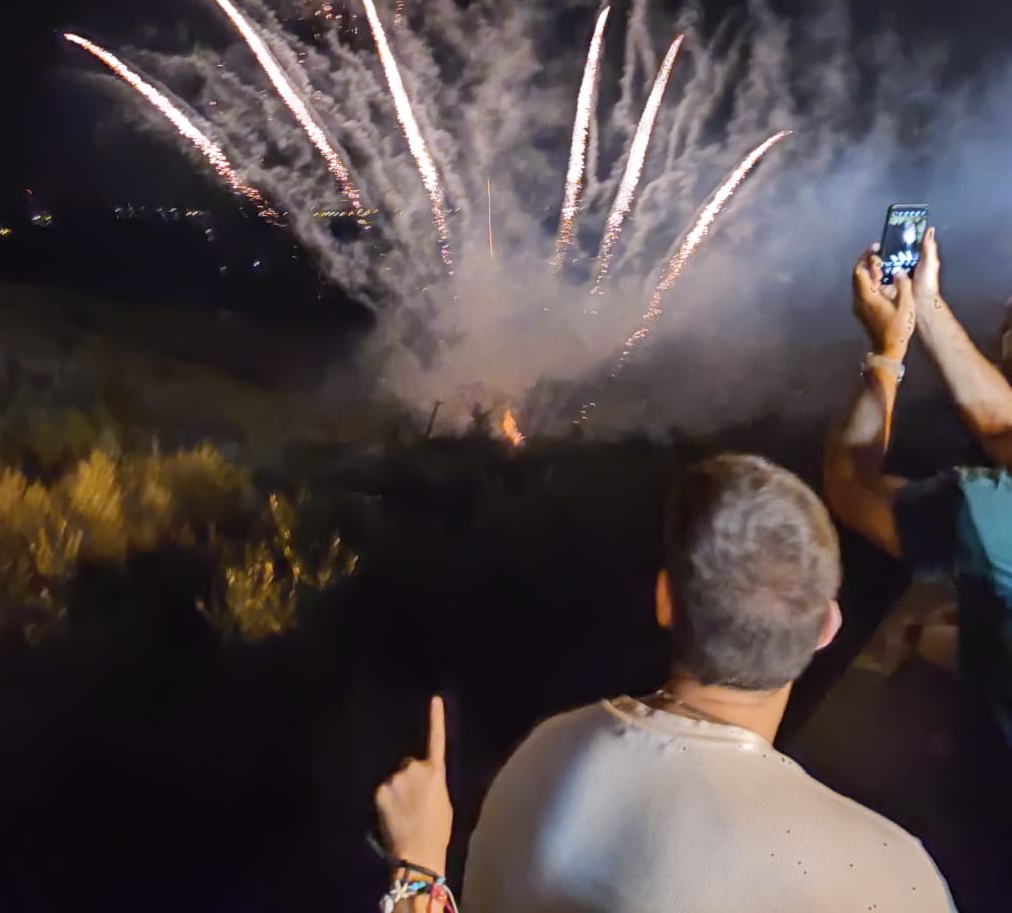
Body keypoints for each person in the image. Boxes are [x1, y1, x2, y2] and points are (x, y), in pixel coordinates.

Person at [375, 453, 954, 912]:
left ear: (664, 600)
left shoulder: (543, 759)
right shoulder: (893, 877)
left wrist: (418, 871)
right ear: (827, 627)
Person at [824, 227, 1012, 746]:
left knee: (931, 637)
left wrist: (888, 350)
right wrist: (923, 305)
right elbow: (1003, 429)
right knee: (950, 624)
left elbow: (850, 484)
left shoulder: (987, 513)